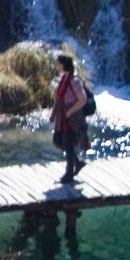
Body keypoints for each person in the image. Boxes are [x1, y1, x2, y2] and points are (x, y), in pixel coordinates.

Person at [51, 52, 93, 184]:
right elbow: (59, 99)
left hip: (73, 118)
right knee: (59, 141)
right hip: (63, 117)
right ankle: (77, 163)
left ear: (63, 64)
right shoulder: (64, 78)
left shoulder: (74, 80)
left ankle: (69, 175)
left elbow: (82, 99)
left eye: (58, 63)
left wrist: (70, 111)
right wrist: (54, 114)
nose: (56, 65)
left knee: (68, 143)